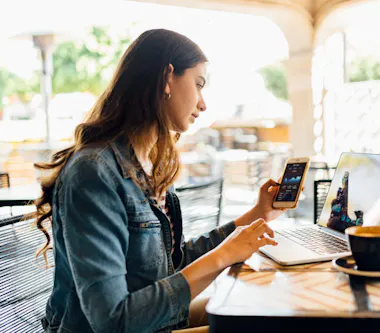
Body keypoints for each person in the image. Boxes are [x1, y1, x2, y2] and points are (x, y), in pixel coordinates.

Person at [34, 29, 288, 333]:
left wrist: (257, 215)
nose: (203, 104)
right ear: (168, 78)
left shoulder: (145, 165)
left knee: (265, 311)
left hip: (151, 323)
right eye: (198, 84)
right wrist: (224, 256)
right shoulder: (94, 172)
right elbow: (112, 320)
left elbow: (173, 263)